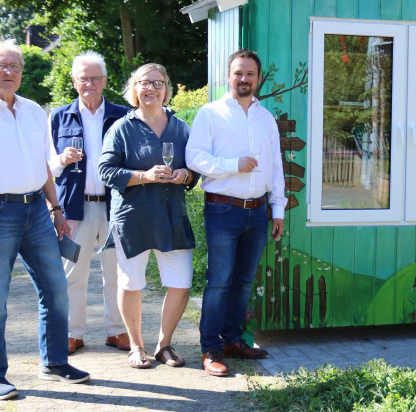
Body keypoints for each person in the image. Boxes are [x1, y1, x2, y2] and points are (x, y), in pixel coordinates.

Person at [187, 49, 286, 377]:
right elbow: (194, 158)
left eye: (250, 74)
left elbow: (276, 166)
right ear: (228, 76)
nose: (244, 79)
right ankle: (210, 348)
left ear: (258, 79)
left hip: (257, 213)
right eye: (238, 73)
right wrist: (233, 165)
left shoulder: (266, 117)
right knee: (218, 282)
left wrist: (278, 209)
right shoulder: (210, 113)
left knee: (243, 282)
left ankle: (231, 340)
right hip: (222, 209)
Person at [0, 39, 90, 400]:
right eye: (2, 65)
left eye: (14, 66)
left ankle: (54, 363)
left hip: (37, 208)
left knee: (55, 289)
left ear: (22, 72)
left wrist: (56, 210)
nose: (8, 72)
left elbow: (44, 163)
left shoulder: (36, 111)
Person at [98, 63, 197, 369]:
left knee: (182, 281)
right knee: (130, 282)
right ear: (135, 89)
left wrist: (185, 174)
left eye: (158, 83)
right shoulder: (121, 127)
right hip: (133, 216)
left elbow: (196, 169)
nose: (151, 88)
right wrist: (144, 176)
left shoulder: (181, 128)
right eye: (145, 83)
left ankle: (163, 345)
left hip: (172, 214)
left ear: (166, 89)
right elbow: (105, 170)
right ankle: (136, 346)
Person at [49, 51, 129, 355]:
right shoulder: (58, 116)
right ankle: (73, 333)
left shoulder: (122, 114)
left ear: (105, 81)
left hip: (115, 206)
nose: (90, 83)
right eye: (84, 78)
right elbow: (45, 165)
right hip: (73, 207)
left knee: (117, 271)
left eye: (96, 78)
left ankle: (117, 331)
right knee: (73, 273)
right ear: (74, 81)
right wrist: (61, 159)